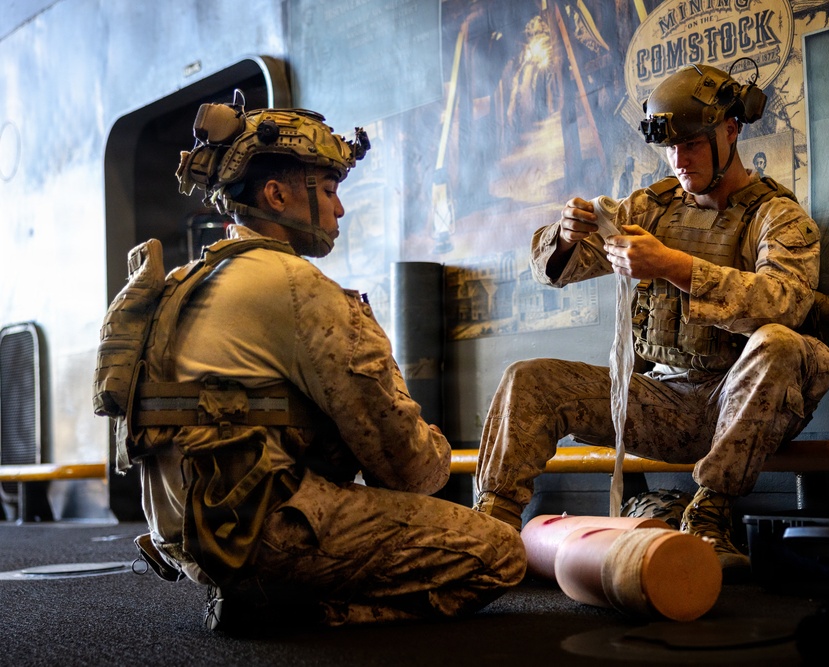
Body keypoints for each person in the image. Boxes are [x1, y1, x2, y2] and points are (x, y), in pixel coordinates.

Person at [100, 94, 525, 632]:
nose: (339, 208)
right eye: (327, 190)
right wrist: (437, 451)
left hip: (187, 535)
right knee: (499, 553)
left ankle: (262, 594)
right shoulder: (298, 287)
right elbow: (409, 468)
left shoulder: (185, 281)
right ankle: (297, 609)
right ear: (277, 195)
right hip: (260, 533)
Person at [472, 63, 829, 576]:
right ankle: (490, 530)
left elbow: (785, 301)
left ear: (731, 130)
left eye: (692, 144)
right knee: (528, 379)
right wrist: (567, 234)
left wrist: (673, 267)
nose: (679, 160)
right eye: (670, 148)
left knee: (782, 343)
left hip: (746, 407)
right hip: (664, 403)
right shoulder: (653, 208)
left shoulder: (777, 217)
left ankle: (709, 512)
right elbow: (549, 273)